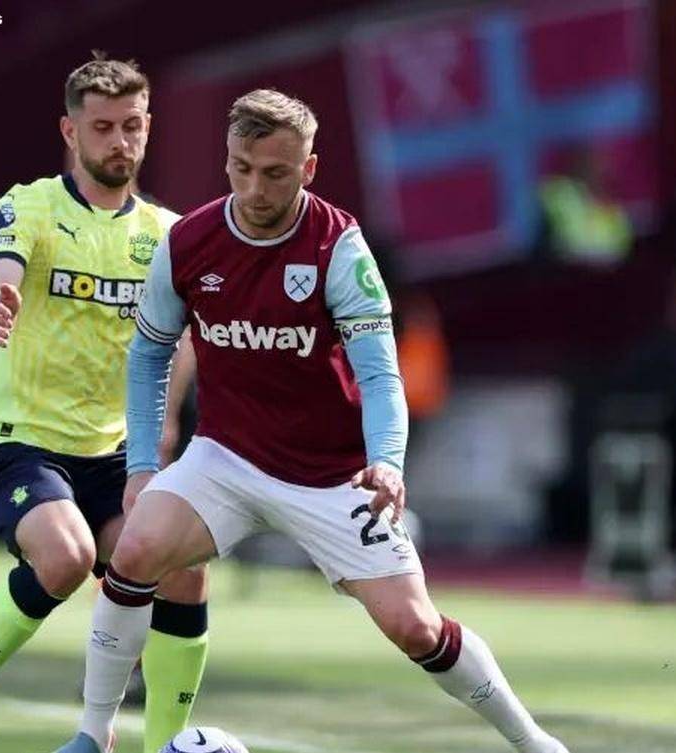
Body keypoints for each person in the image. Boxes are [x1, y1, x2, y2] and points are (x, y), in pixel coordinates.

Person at [58, 89, 571, 753]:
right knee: (134, 552)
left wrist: (386, 462)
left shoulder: (339, 248)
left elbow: (381, 375)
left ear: (309, 168)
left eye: (275, 173)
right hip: (226, 457)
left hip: (332, 476)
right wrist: (141, 466)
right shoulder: (187, 242)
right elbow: (150, 353)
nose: (254, 188)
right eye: (241, 168)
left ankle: (534, 741)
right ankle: (91, 735)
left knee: (414, 627)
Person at [0, 55, 209, 753]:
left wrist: (167, 420)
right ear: (70, 130)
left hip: (113, 451)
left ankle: (166, 747)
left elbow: (185, 339)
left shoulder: (167, 235)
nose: (119, 141)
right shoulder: (28, 205)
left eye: (131, 126)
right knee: (66, 556)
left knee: (182, 565)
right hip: (16, 437)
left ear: (148, 128)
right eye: (102, 127)